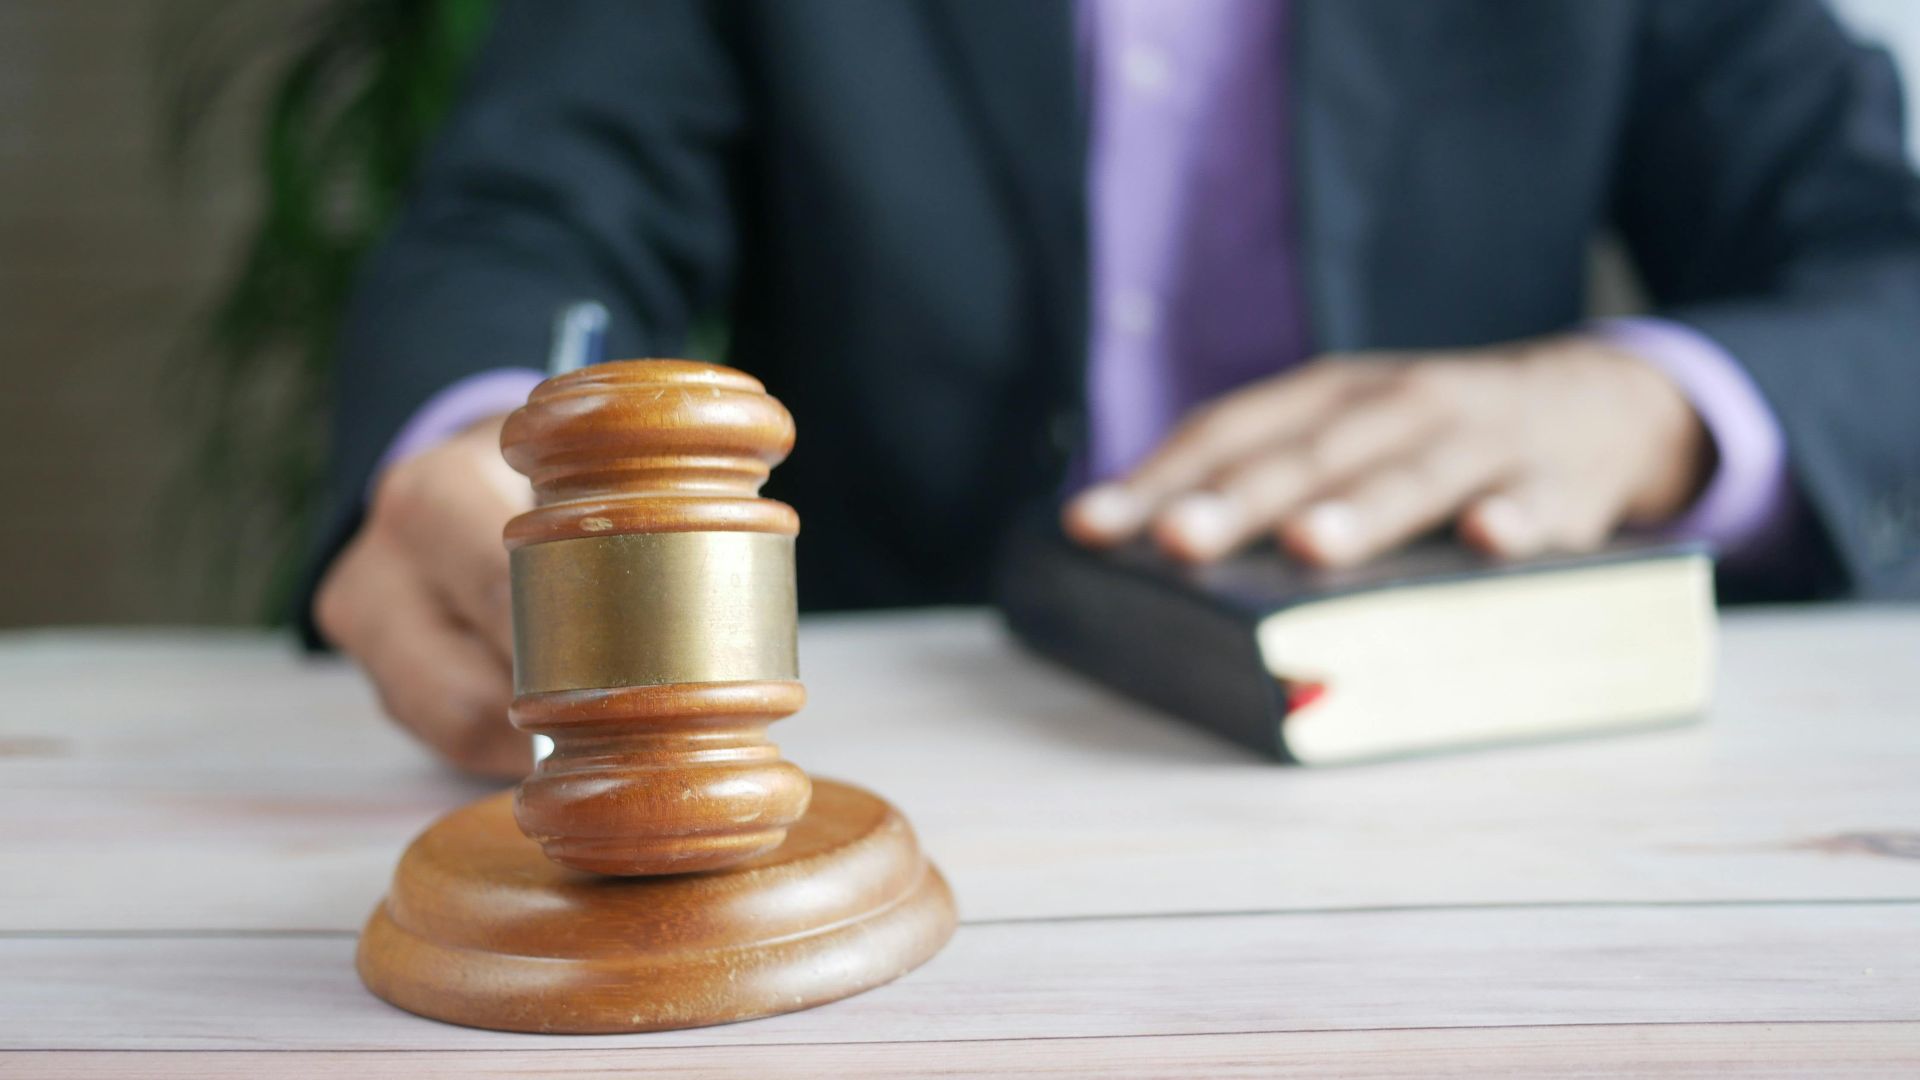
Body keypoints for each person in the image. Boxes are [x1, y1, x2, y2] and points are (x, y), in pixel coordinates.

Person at [309, 0, 1920, 775]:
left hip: (1494, 773)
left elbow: (1883, 266)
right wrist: (482, 442)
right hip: (898, 739)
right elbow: (526, 217)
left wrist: (1653, 406)